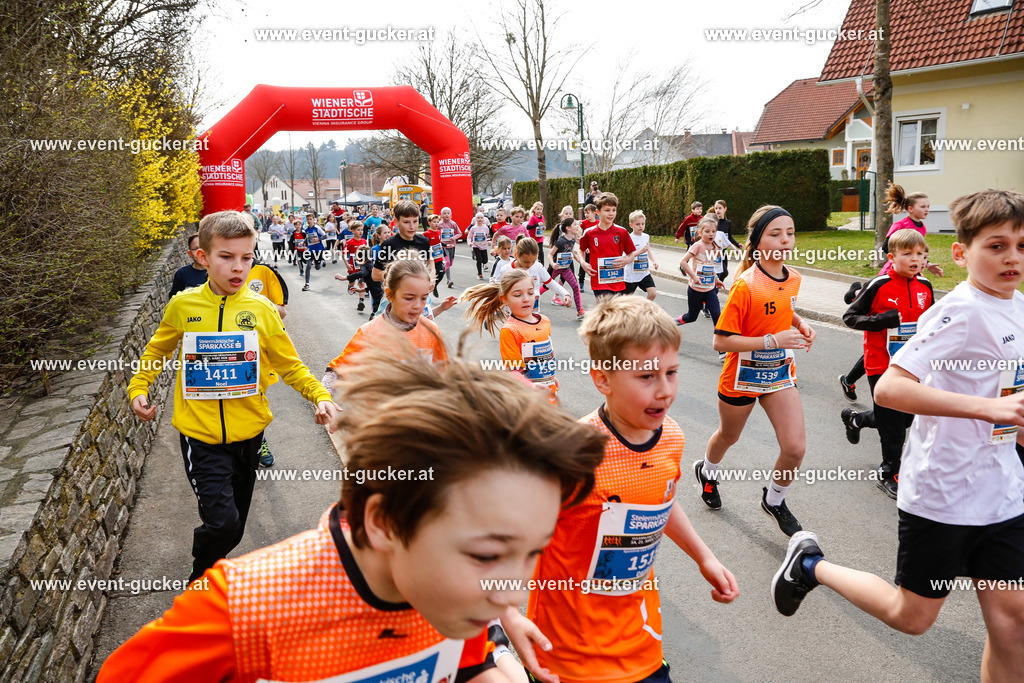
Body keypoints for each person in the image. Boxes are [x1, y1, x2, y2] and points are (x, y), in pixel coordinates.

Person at [102, 340, 606, 683]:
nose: (513, 590)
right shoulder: (244, 608)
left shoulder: (451, 593)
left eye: (531, 553)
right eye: (487, 556)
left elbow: (467, 663)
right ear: (384, 521)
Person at [771, 189, 1024, 683]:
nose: (1012, 257)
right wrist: (990, 408)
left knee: (1012, 623)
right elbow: (889, 389)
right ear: (960, 252)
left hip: (1003, 495)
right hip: (944, 495)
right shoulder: (960, 312)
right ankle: (810, 566)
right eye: (996, 246)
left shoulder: (1018, 308)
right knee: (913, 617)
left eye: (1021, 244)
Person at [508, 297, 739, 683]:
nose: (664, 390)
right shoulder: (571, 456)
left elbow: (660, 499)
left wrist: (704, 557)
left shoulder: (672, 437)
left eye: (672, 372)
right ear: (603, 379)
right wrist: (508, 615)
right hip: (568, 657)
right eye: (647, 377)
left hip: (640, 645)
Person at [127, 211, 336, 583]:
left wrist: (319, 395)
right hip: (201, 437)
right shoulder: (184, 306)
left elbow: (290, 365)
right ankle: (199, 578)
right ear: (203, 258)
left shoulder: (261, 310)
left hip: (249, 436)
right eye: (227, 257)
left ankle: (208, 565)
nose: (238, 267)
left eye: (246, 257)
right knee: (222, 524)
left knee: (234, 527)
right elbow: (157, 351)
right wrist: (138, 387)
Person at [695, 205, 815, 537]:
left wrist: (802, 324)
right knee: (728, 436)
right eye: (775, 234)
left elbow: (782, 309)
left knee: (795, 447)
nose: (785, 240)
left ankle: (774, 500)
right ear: (758, 242)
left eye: (789, 233)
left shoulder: (794, 278)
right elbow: (721, 341)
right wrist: (770, 340)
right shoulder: (746, 284)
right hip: (740, 378)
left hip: (778, 375)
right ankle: (707, 471)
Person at [840, 229, 935, 499]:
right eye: (907, 254)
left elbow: (931, 323)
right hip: (881, 363)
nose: (915, 259)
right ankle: (889, 472)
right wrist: (883, 320)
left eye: (920, 254)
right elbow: (850, 317)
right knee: (893, 424)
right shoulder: (879, 285)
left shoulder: (925, 287)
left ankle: (856, 419)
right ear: (892, 257)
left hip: (914, 364)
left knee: (907, 417)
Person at [324, 257, 449, 394]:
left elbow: (443, 372)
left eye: (424, 298)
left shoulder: (431, 329)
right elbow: (338, 370)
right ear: (390, 295)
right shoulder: (370, 332)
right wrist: (324, 397)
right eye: (409, 298)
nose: (418, 306)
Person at [462, 269, 561, 403]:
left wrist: (549, 378)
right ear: (505, 299)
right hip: (527, 399)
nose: (526, 299)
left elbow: (547, 357)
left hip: (549, 394)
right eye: (518, 295)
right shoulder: (510, 330)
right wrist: (530, 386)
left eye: (530, 293)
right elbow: (513, 370)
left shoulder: (545, 321)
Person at [244, 255, 290, 467]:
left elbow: (281, 311)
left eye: (245, 256)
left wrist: (258, 303)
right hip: (219, 355)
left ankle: (258, 441)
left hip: (256, 354)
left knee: (254, 401)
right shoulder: (192, 281)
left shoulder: (264, 272)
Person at [577, 192, 638, 300]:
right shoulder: (589, 233)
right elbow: (580, 250)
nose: (611, 214)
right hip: (599, 282)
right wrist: (583, 263)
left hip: (617, 281)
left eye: (614, 210)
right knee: (606, 307)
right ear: (598, 212)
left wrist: (626, 260)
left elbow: (631, 254)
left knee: (613, 313)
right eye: (607, 210)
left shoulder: (622, 232)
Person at [677, 217, 726, 351]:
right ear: (700, 232)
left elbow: (711, 267)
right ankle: (672, 324)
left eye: (713, 231)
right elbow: (683, 262)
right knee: (691, 317)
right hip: (695, 289)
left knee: (717, 316)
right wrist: (694, 277)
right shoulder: (697, 246)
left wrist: (716, 280)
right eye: (707, 231)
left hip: (710, 289)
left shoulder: (716, 247)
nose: (711, 234)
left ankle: (721, 348)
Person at [372, 200, 430, 283]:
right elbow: (375, 275)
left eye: (415, 221)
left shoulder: (424, 241)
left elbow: (430, 262)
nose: (412, 226)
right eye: (406, 222)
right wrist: (399, 276)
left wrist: (431, 278)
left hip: (420, 291)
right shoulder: (389, 244)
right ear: (396, 222)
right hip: (397, 293)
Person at [549, 217, 586, 321]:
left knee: (575, 285)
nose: (577, 226)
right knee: (546, 286)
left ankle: (580, 311)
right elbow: (550, 254)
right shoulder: (560, 241)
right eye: (575, 224)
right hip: (555, 268)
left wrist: (581, 261)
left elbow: (571, 252)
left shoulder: (573, 240)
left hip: (565, 268)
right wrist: (552, 264)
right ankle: (533, 302)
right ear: (568, 228)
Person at [623, 209, 659, 301]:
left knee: (653, 293)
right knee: (626, 300)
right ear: (631, 225)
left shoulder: (646, 236)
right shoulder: (629, 238)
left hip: (644, 272)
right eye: (638, 224)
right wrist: (640, 251)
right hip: (631, 274)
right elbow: (626, 256)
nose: (641, 226)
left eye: (642, 224)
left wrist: (654, 261)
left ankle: (643, 309)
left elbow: (648, 250)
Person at [169, 232, 208, 299]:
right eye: (195, 249)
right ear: (189, 253)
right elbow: (174, 299)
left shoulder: (218, 271)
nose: (200, 252)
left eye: (203, 247)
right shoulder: (182, 273)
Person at [342, 221, 369, 311]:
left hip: (362, 267)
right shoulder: (349, 242)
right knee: (352, 282)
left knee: (361, 283)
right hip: (353, 266)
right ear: (353, 231)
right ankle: (350, 286)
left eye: (361, 230)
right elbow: (344, 254)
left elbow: (367, 254)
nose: (360, 232)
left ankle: (361, 302)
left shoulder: (364, 241)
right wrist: (347, 264)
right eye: (358, 230)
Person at [713, 200, 742, 282]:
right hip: (715, 252)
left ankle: (717, 285)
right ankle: (715, 285)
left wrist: (737, 244)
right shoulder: (714, 222)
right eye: (716, 208)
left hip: (724, 251)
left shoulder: (727, 223)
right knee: (724, 272)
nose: (718, 210)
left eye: (720, 208)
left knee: (724, 273)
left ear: (725, 209)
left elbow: (728, 237)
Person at [423, 213, 447, 297]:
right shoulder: (426, 234)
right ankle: (426, 289)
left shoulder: (439, 232)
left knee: (441, 272)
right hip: (430, 258)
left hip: (438, 256)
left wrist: (446, 245)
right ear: (429, 223)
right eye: (434, 222)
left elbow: (439, 242)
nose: (436, 224)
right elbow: (424, 245)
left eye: (438, 222)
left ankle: (435, 285)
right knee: (430, 274)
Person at [439, 206, 463, 287]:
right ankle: (449, 280)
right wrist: (439, 238)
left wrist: (454, 237)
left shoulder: (453, 224)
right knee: (448, 262)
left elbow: (460, 233)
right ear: (441, 215)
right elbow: (436, 233)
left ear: (451, 214)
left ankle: (443, 267)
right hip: (444, 246)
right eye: (444, 213)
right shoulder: (439, 224)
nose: (446, 215)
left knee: (450, 263)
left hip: (452, 245)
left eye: (448, 213)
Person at [301, 215, 326, 291]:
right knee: (308, 265)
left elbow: (325, 236)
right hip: (310, 250)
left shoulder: (317, 228)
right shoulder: (306, 229)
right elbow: (307, 238)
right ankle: (307, 284)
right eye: (307, 219)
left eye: (310, 219)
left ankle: (322, 261)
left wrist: (318, 239)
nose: (309, 221)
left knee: (317, 268)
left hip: (318, 249)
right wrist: (303, 242)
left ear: (313, 220)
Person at [578, 203, 599, 291]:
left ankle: (598, 282)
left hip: (595, 248)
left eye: (588, 213)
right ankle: (581, 282)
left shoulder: (598, 223)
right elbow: (577, 231)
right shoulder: (583, 223)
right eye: (585, 213)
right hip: (586, 248)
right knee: (584, 265)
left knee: (595, 265)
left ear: (595, 213)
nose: (586, 215)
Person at [466, 212, 492, 280]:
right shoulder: (473, 228)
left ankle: (479, 260)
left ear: (484, 219)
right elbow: (469, 237)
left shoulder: (486, 228)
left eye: (481, 218)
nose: (480, 219)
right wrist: (469, 243)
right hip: (475, 245)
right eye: (478, 218)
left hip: (483, 246)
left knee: (485, 260)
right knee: (479, 260)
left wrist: (489, 241)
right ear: (475, 219)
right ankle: (479, 273)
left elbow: (487, 236)